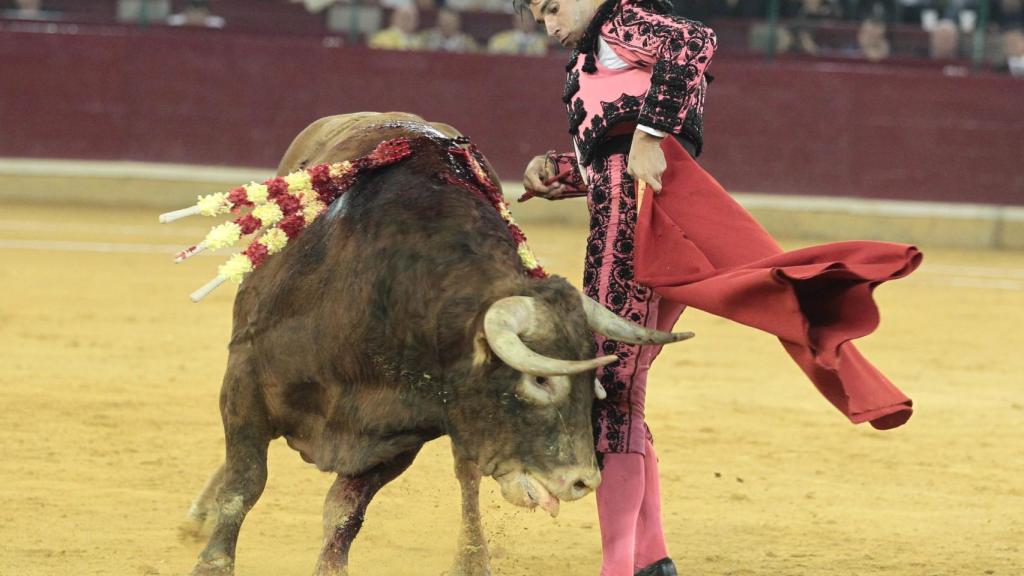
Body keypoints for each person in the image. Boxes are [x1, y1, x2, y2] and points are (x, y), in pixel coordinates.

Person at [518, 0, 921, 574]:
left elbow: (692, 41)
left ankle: (619, 568)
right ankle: (651, 561)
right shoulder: (603, 50)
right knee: (622, 393)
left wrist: (650, 136)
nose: (548, 24)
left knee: (607, 392)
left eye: (552, 7)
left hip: (631, 235)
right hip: (642, 221)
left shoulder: (619, 20)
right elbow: (619, 150)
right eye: (539, 16)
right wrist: (561, 170)